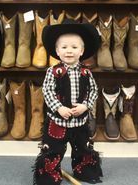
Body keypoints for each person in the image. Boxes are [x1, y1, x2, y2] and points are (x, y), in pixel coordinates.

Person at [33, 18, 103, 185]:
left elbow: (93, 90)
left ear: (82, 51)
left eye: (74, 47)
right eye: (64, 47)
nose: (69, 51)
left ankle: (84, 170)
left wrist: (85, 105)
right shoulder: (53, 71)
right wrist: (59, 108)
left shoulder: (86, 72)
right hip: (58, 121)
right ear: (57, 51)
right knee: (53, 150)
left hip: (80, 121)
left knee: (83, 148)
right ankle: (49, 176)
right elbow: (47, 91)